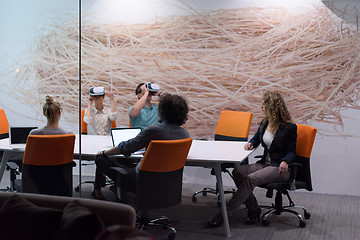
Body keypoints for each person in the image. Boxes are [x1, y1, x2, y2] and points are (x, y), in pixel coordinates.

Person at [208, 91, 297, 227]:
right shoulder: (265, 122)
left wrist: (285, 161)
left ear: (271, 107)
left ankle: (224, 213)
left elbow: (291, 151)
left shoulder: (289, 127)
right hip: (264, 164)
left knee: (251, 179)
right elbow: (256, 139)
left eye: (264, 104)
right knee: (238, 173)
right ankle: (253, 208)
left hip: (279, 168)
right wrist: (251, 143)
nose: (261, 107)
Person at [93, 93, 190, 200]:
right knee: (126, 162)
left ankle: (116, 189)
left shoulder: (154, 130)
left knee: (101, 159)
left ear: (161, 112)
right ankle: (120, 190)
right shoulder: (184, 134)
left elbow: (127, 147)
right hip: (167, 180)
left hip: (141, 179)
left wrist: (104, 152)